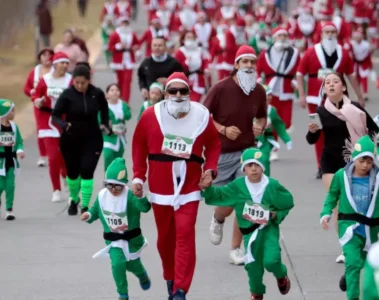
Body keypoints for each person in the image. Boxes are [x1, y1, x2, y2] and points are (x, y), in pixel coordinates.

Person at [131, 72, 221, 299]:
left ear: (190, 93)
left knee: (184, 234)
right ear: (165, 93)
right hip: (161, 188)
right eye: (173, 91)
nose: (178, 95)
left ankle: (181, 289)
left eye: (183, 91)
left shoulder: (201, 115)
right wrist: (139, 177)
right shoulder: (151, 115)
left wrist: (210, 170)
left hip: (190, 186)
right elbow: (139, 145)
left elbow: (213, 143)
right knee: (165, 239)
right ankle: (170, 278)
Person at [201, 147, 293, 300]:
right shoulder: (238, 186)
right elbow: (219, 195)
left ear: (263, 167)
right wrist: (208, 188)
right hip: (249, 234)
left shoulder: (272, 185)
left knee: (271, 260)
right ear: (243, 168)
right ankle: (256, 293)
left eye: (257, 165)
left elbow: (288, 202)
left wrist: (277, 214)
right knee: (252, 268)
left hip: (268, 230)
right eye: (249, 165)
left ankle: (281, 274)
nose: (254, 169)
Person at [306, 72, 378, 263]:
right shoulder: (320, 112)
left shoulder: (355, 108)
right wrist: (312, 131)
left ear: (343, 87)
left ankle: (366, 240)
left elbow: (374, 130)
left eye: (335, 82)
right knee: (340, 205)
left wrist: (368, 150)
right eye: (327, 82)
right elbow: (311, 140)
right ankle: (346, 246)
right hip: (331, 162)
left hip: (356, 161)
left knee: (363, 203)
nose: (331, 85)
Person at [205, 45, 267, 265]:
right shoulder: (221, 88)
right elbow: (204, 117)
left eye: (252, 62)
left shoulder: (259, 90)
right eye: (245, 62)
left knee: (244, 200)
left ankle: (235, 249)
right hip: (222, 153)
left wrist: (260, 126)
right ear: (236, 64)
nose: (249, 66)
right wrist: (223, 129)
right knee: (227, 202)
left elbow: (262, 117)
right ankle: (218, 217)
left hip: (247, 153)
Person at [297, 21, 364, 180]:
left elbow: (351, 75)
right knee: (317, 130)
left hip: (338, 99)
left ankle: (342, 162)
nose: (330, 35)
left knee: (340, 130)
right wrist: (301, 94)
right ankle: (321, 165)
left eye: (333, 32)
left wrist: (359, 96)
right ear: (320, 34)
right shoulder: (311, 52)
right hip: (315, 99)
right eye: (326, 32)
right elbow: (300, 73)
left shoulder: (344, 53)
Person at [80, 158, 151, 300]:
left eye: (117, 187)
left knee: (132, 265)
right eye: (109, 185)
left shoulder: (130, 195)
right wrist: (88, 215)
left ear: (123, 185)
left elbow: (145, 208)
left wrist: (141, 196)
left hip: (131, 239)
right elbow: (95, 211)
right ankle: (122, 294)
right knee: (118, 263)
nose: (113, 190)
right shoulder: (102, 196)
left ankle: (141, 273)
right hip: (113, 240)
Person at [320, 135, 379, 300]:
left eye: (369, 161)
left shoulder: (378, 178)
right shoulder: (341, 176)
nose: (366, 165)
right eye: (362, 161)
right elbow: (332, 196)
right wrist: (325, 213)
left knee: (368, 264)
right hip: (349, 228)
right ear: (354, 158)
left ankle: (350, 275)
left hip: (371, 229)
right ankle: (353, 296)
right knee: (353, 262)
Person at [52, 64, 111, 216]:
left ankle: (85, 206)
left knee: (87, 171)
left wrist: (104, 123)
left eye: (83, 83)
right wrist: (64, 125)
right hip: (70, 139)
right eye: (76, 83)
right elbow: (55, 116)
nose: (79, 86)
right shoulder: (67, 95)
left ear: (89, 81)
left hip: (92, 139)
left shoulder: (97, 94)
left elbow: (104, 109)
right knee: (72, 173)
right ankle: (73, 198)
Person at [32, 52, 71, 203]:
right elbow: (35, 96)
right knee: (53, 157)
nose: (65, 66)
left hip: (64, 122)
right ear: (55, 64)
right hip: (47, 121)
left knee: (64, 158)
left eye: (67, 63)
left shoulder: (70, 80)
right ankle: (56, 189)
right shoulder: (45, 80)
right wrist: (39, 101)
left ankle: (66, 177)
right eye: (62, 63)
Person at [256, 26, 299, 162]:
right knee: (271, 120)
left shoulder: (294, 54)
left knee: (285, 122)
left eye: (285, 36)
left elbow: (299, 70)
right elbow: (258, 69)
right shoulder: (265, 54)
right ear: (274, 38)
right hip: (271, 90)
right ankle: (273, 148)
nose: (283, 39)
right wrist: (258, 81)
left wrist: (296, 82)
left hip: (287, 91)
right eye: (280, 36)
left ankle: (275, 138)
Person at [23, 47, 54, 167]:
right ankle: (42, 155)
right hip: (39, 106)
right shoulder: (35, 72)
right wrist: (31, 91)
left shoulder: (56, 71)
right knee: (41, 129)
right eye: (44, 55)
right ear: (40, 57)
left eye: (49, 55)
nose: (47, 57)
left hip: (54, 104)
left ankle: (55, 152)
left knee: (55, 128)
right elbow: (26, 88)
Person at [256, 85, 292, 176]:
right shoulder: (251, 109)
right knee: (252, 162)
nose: (268, 97)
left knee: (265, 160)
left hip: (265, 141)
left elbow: (279, 125)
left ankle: (266, 181)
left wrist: (287, 139)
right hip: (251, 141)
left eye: (270, 94)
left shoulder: (272, 110)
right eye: (266, 95)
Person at [0, 99, 25, 221]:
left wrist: (20, 150)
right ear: (5, 113)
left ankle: (9, 210)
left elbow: (19, 141)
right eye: (12, 111)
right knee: (0, 186)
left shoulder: (14, 127)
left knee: (10, 186)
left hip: (11, 161)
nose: (14, 113)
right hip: (0, 162)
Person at [108, 16, 140, 103]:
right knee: (119, 81)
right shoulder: (115, 34)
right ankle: (119, 99)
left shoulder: (132, 34)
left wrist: (136, 48)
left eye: (126, 23)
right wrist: (118, 46)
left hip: (129, 61)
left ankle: (126, 101)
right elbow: (109, 47)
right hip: (118, 61)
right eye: (123, 23)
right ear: (120, 23)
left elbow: (137, 44)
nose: (125, 25)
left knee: (127, 81)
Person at [102, 83, 131, 172]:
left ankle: (117, 179)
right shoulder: (104, 106)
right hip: (108, 137)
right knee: (108, 155)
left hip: (120, 137)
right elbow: (99, 120)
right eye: (112, 90)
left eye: (117, 90)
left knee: (118, 159)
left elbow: (128, 116)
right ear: (107, 94)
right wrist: (107, 127)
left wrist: (122, 113)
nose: (115, 92)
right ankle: (108, 177)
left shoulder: (123, 104)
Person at [174, 30, 210, 102]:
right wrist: (187, 62)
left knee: (195, 102)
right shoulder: (180, 52)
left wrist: (206, 68)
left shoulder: (200, 50)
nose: (190, 39)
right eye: (188, 37)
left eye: (192, 37)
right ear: (183, 40)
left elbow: (205, 61)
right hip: (185, 80)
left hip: (198, 80)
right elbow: (176, 67)